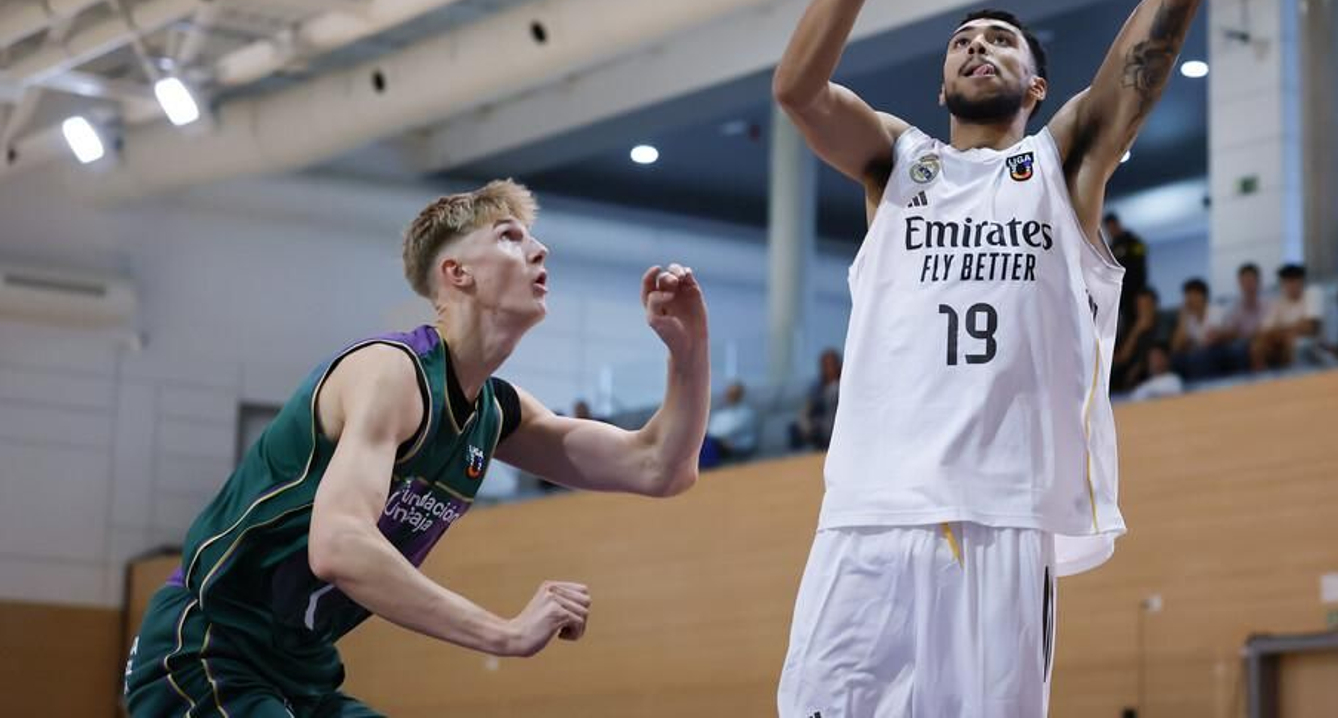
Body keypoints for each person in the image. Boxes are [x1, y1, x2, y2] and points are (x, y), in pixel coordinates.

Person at [771, 0, 1214, 717]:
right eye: (962, 39)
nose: (977, 44)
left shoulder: (1065, 165)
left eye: (1000, 40)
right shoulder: (896, 162)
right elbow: (796, 89)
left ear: (1037, 86)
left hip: (1004, 516)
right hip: (869, 513)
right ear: (938, 85)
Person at [124, 180, 711, 717]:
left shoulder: (495, 412)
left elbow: (660, 467)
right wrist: (503, 633)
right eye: (511, 237)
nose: (540, 251)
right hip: (205, 649)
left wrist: (687, 353)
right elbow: (340, 546)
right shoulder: (392, 372)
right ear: (457, 273)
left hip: (299, 671)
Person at [1250, 263, 1328, 371]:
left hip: (1317, 345)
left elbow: (1310, 327)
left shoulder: (1313, 293)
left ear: (1302, 281)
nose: (1290, 285)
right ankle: (1262, 381)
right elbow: (1263, 331)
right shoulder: (1279, 302)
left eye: (1294, 280)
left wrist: (1281, 332)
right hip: (1285, 344)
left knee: (1292, 342)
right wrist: (1293, 328)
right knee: (1258, 346)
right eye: (1286, 281)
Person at [789, 348, 842, 451]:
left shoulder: (846, 387)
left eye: (832, 365)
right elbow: (805, 413)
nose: (829, 369)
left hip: (841, 434)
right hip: (821, 438)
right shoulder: (816, 390)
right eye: (825, 366)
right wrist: (809, 428)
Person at [1112, 286, 1163, 393]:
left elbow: (1162, 350)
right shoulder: (1131, 327)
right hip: (1130, 371)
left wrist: (1139, 366)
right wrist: (1136, 331)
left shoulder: (1162, 323)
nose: (1143, 310)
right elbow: (1122, 358)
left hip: (1154, 368)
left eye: (1146, 306)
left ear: (1154, 305)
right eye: (1139, 306)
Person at [1170, 277, 1224, 378]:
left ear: (1202, 296)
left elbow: (1211, 339)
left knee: (1198, 356)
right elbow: (1176, 347)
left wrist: (1193, 346)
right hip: (1198, 353)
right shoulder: (1189, 318)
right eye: (1186, 296)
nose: (1188, 299)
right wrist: (1182, 318)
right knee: (1176, 359)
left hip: (1217, 350)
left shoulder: (1215, 310)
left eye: (1191, 295)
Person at [1103, 212, 1148, 327]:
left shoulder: (1133, 241)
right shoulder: (1110, 248)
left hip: (1136, 291)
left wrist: (1140, 290)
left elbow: (1140, 267)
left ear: (1118, 224)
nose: (1111, 230)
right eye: (1109, 228)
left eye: (1112, 226)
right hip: (1120, 294)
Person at [706, 380, 760, 463]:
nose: (731, 396)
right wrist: (719, 439)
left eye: (735, 394)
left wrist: (719, 438)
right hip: (719, 445)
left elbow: (733, 430)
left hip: (739, 447)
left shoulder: (747, 413)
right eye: (729, 394)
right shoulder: (720, 414)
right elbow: (711, 431)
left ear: (740, 395)